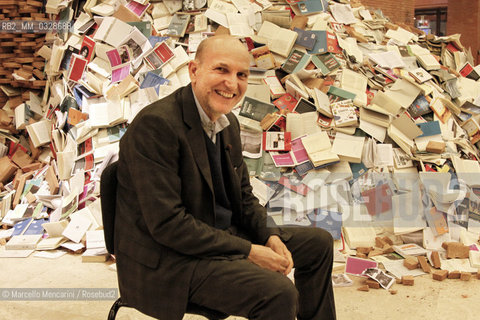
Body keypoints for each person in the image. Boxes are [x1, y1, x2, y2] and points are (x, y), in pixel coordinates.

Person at [115, 35, 336, 320]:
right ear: (194, 71)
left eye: (241, 74)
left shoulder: (226, 122)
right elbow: (169, 225)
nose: (232, 84)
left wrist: (269, 236)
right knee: (278, 292)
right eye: (221, 70)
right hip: (171, 260)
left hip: (216, 239)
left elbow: (244, 196)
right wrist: (249, 251)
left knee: (317, 244)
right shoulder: (156, 125)